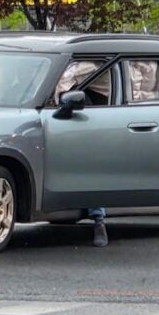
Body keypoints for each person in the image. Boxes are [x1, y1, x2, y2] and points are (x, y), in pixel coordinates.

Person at [55, 61, 109, 247]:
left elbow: (64, 82)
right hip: (70, 134)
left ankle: (99, 221)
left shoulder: (90, 68)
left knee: (92, 170)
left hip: (93, 135)